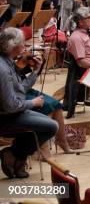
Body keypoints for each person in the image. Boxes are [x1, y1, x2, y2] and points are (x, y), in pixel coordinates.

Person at [0, 28, 58, 179]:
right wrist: (33, 102)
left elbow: (21, 89)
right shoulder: (3, 68)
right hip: (6, 117)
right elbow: (11, 106)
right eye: (23, 43)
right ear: (13, 46)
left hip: (14, 112)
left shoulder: (8, 62)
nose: (25, 47)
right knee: (51, 127)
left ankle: (17, 156)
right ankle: (14, 154)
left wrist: (35, 71)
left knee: (49, 123)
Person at [65, 7, 90, 118]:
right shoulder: (77, 37)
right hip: (86, 71)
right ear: (80, 22)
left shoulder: (86, 33)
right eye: (88, 17)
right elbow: (81, 62)